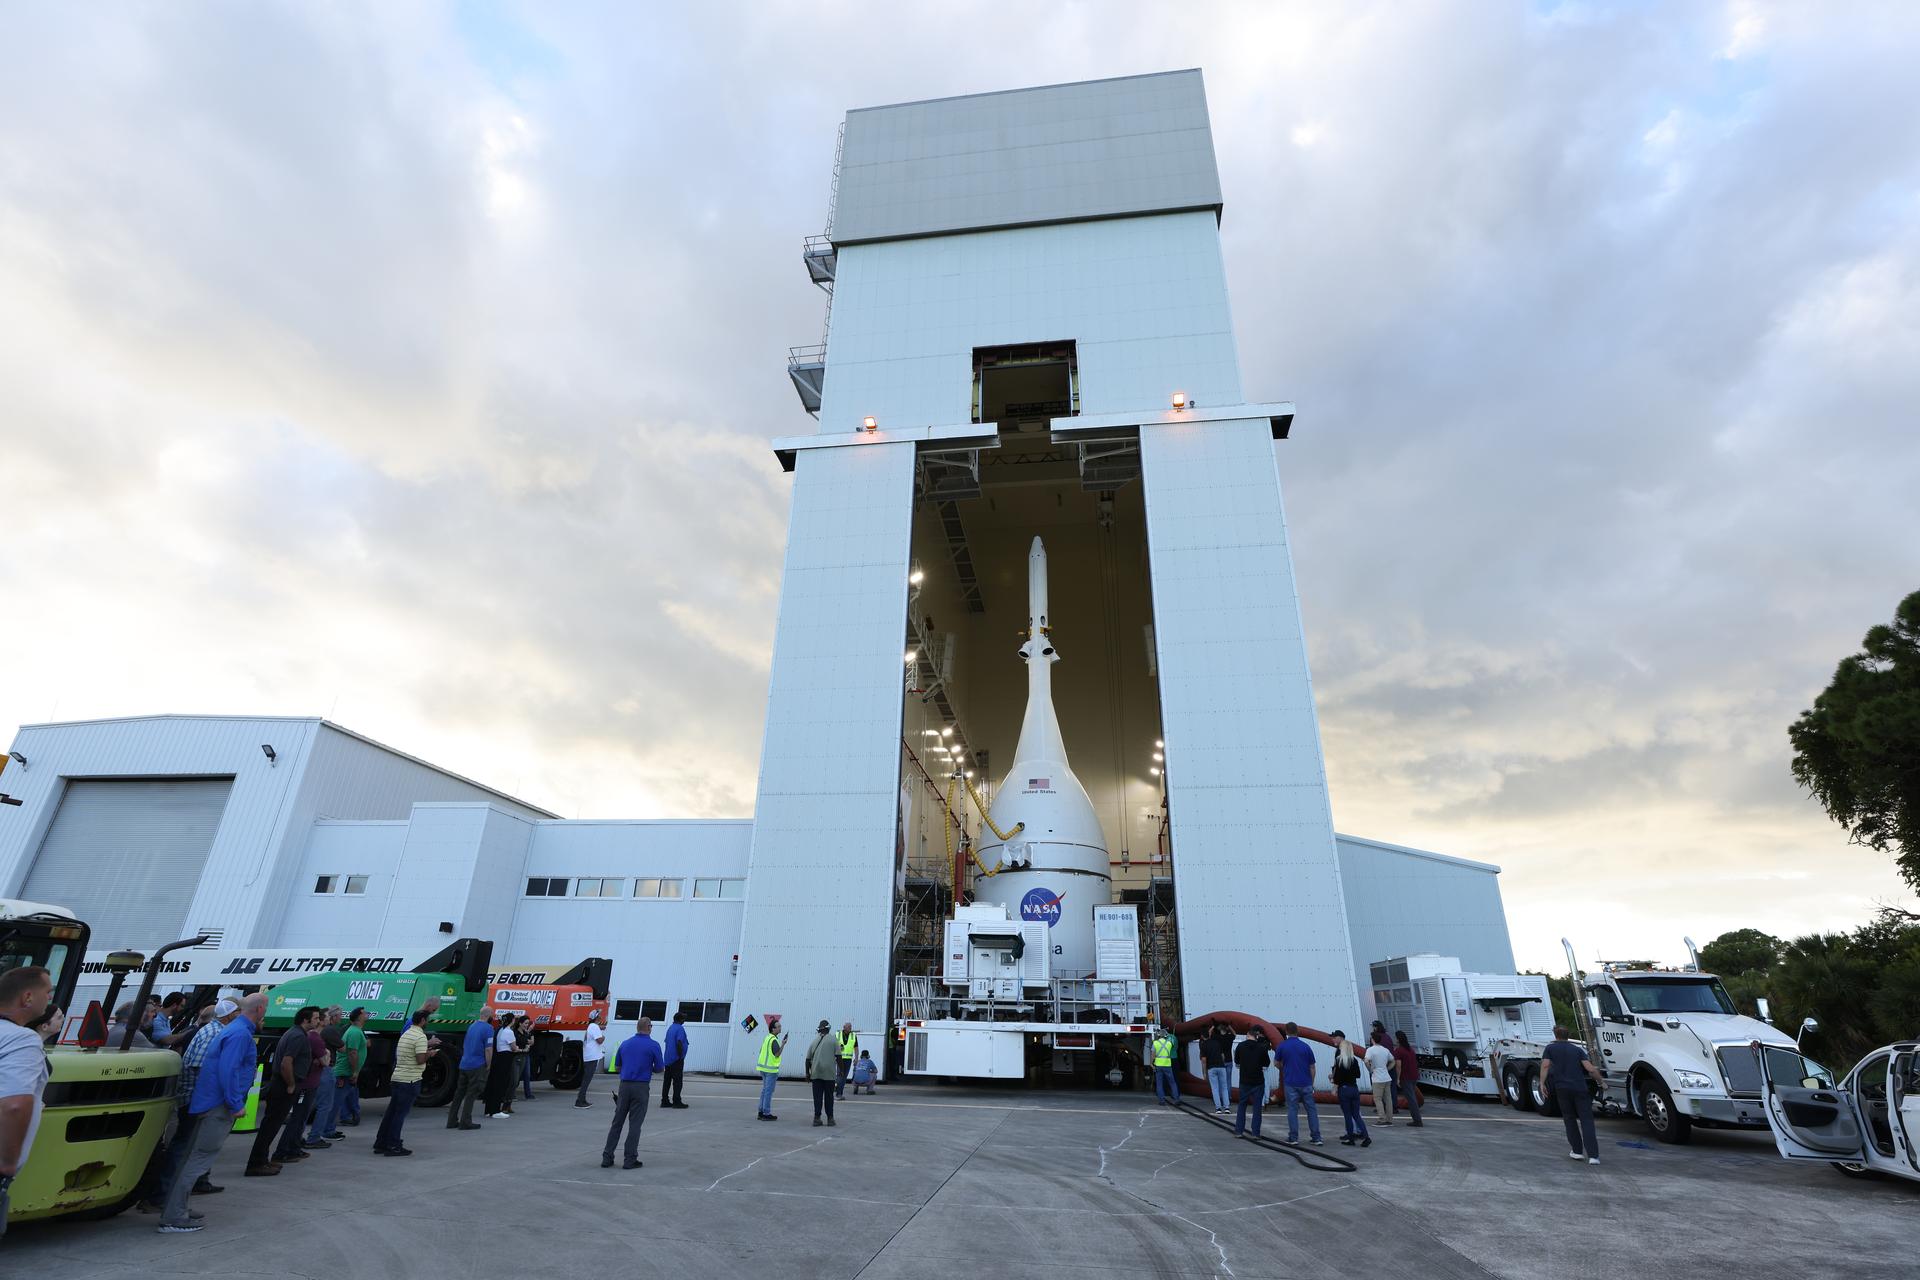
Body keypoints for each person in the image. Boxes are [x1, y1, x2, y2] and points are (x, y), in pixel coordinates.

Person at [160, 991, 266, 1233]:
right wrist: (236, 1103)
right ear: (259, 1010)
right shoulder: (240, 1034)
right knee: (197, 1161)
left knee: (192, 1158)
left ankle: (176, 1208)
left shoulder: (233, 1031)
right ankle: (174, 1216)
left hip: (210, 1103)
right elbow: (228, 1071)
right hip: (217, 1106)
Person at [150, 999, 238, 1211]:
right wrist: (208, 1103)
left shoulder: (214, 1031)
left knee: (187, 1149)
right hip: (195, 1102)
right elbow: (199, 1068)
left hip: (196, 1101)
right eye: (238, 1013)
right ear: (228, 1015)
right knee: (184, 1149)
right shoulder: (213, 1034)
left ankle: (167, 1194)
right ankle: (162, 1197)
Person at [0, 966, 58, 1239]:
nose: (50, 999)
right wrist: (7, 1164)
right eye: (47, 993)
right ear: (27, 998)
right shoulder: (22, 1040)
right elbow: (14, 1104)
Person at [248, 1005, 318, 1175]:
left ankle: (262, 1160)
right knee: (270, 1126)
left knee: (271, 1125)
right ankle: (257, 1164)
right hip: (283, 1086)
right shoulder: (298, 1037)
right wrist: (291, 1084)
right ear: (305, 1019)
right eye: (315, 1018)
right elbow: (286, 1063)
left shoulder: (294, 1033)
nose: (318, 1021)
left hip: (281, 1084)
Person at [602, 1017, 663, 1169]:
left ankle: (607, 1157)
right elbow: (660, 1068)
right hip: (641, 1087)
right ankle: (630, 1159)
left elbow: (617, 1067)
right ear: (649, 1027)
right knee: (635, 1125)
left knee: (617, 1122)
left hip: (624, 1085)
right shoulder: (653, 1045)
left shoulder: (625, 1044)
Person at [1540, 1024, 1604, 1164]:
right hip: (1579, 1087)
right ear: (1567, 1036)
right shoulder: (1577, 1049)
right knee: (1586, 1120)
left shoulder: (1550, 1048)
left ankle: (1577, 1151)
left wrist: (1542, 1083)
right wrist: (1601, 1082)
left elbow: (1545, 1065)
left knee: (1569, 1119)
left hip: (1562, 1088)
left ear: (1555, 1035)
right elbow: (1590, 1069)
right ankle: (1593, 1156)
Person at [373, 1009, 434, 1156]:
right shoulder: (420, 1036)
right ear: (423, 1021)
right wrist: (429, 1054)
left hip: (398, 1078)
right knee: (399, 1115)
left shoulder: (406, 1033)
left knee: (391, 1112)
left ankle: (381, 1142)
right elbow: (420, 1059)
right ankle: (393, 1145)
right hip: (410, 1079)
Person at [1275, 1022, 1323, 1145]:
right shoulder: (1306, 1047)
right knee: (1311, 1110)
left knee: (1292, 1110)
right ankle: (1316, 1137)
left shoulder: (1282, 1046)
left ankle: (1293, 1137)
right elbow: (1312, 1067)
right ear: (1298, 1031)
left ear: (1286, 1032)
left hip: (1290, 1083)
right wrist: (1311, 1083)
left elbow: (1276, 1063)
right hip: (1306, 1083)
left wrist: (1284, 1067)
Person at [304, 1006, 345, 1146]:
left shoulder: (312, 1035)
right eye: (327, 1016)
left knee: (312, 1104)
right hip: (325, 1071)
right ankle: (314, 1137)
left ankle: (301, 1136)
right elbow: (325, 1060)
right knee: (325, 1105)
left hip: (317, 1072)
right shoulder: (318, 1036)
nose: (330, 1018)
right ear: (322, 1021)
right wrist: (326, 1053)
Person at [450, 1009, 494, 1129]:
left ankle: (451, 1120)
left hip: (464, 1063)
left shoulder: (472, 1026)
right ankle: (466, 1121)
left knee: (459, 1093)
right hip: (477, 1065)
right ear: (489, 1016)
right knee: (471, 1094)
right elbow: (488, 1049)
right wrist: (488, 1064)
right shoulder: (488, 1028)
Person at [331, 1007, 368, 1129]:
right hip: (345, 1072)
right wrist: (355, 1072)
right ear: (359, 1017)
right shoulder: (355, 1032)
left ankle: (347, 1118)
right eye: (364, 1013)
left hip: (346, 1072)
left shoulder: (356, 1031)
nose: (367, 1014)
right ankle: (327, 1130)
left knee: (344, 1097)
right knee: (335, 1103)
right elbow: (352, 1053)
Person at [1331, 1033, 1370, 1147]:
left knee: (1347, 1115)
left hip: (1344, 1089)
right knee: (1356, 1115)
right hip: (1354, 1088)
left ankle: (1350, 1138)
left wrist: (1335, 1085)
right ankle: (1366, 1136)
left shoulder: (1339, 1060)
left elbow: (1337, 1078)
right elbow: (1358, 1075)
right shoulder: (1354, 1061)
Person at [1232, 1028, 1269, 1138]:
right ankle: (1255, 1133)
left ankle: (1239, 1131)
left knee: (1242, 1105)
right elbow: (1266, 1063)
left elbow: (1237, 1062)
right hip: (1258, 1081)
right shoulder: (1261, 1048)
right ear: (1256, 1036)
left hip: (1245, 1081)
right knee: (1257, 1107)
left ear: (1247, 1035)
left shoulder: (1240, 1046)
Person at [805, 1019, 841, 1127]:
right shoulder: (834, 1040)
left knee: (817, 1097)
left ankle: (817, 1118)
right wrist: (842, 1070)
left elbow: (807, 1059)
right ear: (828, 1028)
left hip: (816, 1074)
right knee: (829, 1097)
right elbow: (839, 1057)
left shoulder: (814, 1041)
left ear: (820, 1030)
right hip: (829, 1074)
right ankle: (830, 1119)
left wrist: (807, 1073)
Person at [484, 1010, 518, 1119]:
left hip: (497, 1057)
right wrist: (517, 1048)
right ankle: (495, 1110)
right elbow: (513, 1047)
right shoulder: (509, 1031)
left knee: (493, 1083)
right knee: (501, 1084)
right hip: (505, 1058)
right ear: (512, 1020)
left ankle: (489, 1110)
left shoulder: (499, 1030)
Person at [756, 1015, 787, 1120]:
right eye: (778, 1026)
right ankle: (766, 1113)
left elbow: (761, 1051)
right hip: (770, 1070)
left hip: (763, 1069)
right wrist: (783, 1044)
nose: (780, 1028)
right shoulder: (774, 1040)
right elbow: (777, 1054)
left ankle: (761, 1112)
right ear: (773, 1029)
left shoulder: (767, 1038)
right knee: (768, 1092)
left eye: (780, 1026)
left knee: (764, 1090)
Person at [1364, 1033, 1398, 1126]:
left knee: (1377, 1099)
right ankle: (1389, 1119)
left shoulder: (1370, 1050)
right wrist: (1388, 1068)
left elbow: (1366, 1060)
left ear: (1372, 1040)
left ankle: (1382, 1119)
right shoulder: (1385, 1050)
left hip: (1377, 1077)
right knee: (1388, 1099)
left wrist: (1370, 1069)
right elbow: (1393, 1060)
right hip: (1386, 1077)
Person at [1391, 1031, 1423, 1128]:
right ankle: (1417, 1119)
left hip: (1406, 1077)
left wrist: (1398, 1079)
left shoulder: (1398, 1051)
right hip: (1414, 1076)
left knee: (1411, 1099)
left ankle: (1417, 1120)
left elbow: (1398, 1066)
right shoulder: (1410, 1049)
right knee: (1412, 1097)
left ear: (1398, 1039)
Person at [1200, 1022, 1233, 1114]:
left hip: (1211, 1068)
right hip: (1221, 1066)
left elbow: (1204, 1060)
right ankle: (1227, 1107)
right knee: (1224, 1087)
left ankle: (1218, 1108)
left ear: (1202, 1036)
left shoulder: (1204, 1045)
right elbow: (1222, 1056)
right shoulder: (1217, 1042)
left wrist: (1204, 1072)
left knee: (1215, 1088)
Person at [576, 1008, 605, 1108]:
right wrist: (603, 1036)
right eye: (599, 1015)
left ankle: (581, 1100)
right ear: (596, 1017)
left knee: (586, 1079)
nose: (601, 1016)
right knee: (586, 1080)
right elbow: (600, 1040)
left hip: (589, 1056)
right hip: (591, 1057)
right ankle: (580, 1101)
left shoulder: (592, 1026)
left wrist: (601, 1028)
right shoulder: (594, 1027)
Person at [661, 1010, 689, 1109]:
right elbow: (679, 1042)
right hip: (676, 1060)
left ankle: (664, 1101)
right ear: (680, 1019)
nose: (684, 1020)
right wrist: (681, 1056)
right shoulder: (680, 1028)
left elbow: (667, 1042)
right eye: (683, 1018)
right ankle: (677, 1101)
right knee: (677, 1082)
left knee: (667, 1081)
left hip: (668, 1059)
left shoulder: (670, 1028)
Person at [1149, 1027, 1179, 1105]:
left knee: (1159, 1083)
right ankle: (1176, 1099)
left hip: (1158, 1065)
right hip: (1167, 1065)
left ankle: (1162, 1101)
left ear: (1159, 1035)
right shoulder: (1169, 1044)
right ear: (1166, 1035)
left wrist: (1151, 1063)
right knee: (1172, 1083)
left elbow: (1153, 1055)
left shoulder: (1155, 1043)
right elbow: (1173, 1050)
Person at [833, 1021, 858, 1101]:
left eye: (851, 1027)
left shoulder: (853, 1035)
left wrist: (856, 1058)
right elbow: (832, 1045)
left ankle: (839, 1091)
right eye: (849, 1027)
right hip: (839, 1058)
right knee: (840, 1075)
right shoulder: (838, 1034)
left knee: (844, 1077)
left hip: (848, 1059)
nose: (850, 1029)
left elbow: (856, 1048)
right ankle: (838, 1094)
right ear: (844, 1027)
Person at [516, 1014, 536, 1101]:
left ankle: (528, 1094)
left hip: (526, 1055)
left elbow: (532, 1042)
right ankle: (511, 1094)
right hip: (518, 1055)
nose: (527, 1025)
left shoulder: (527, 1032)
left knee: (527, 1075)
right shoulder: (516, 1032)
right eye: (525, 1023)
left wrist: (528, 1033)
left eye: (528, 1023)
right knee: (516, 1076)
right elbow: (525, 1041)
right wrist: (527, 1040)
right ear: (520, 1023)